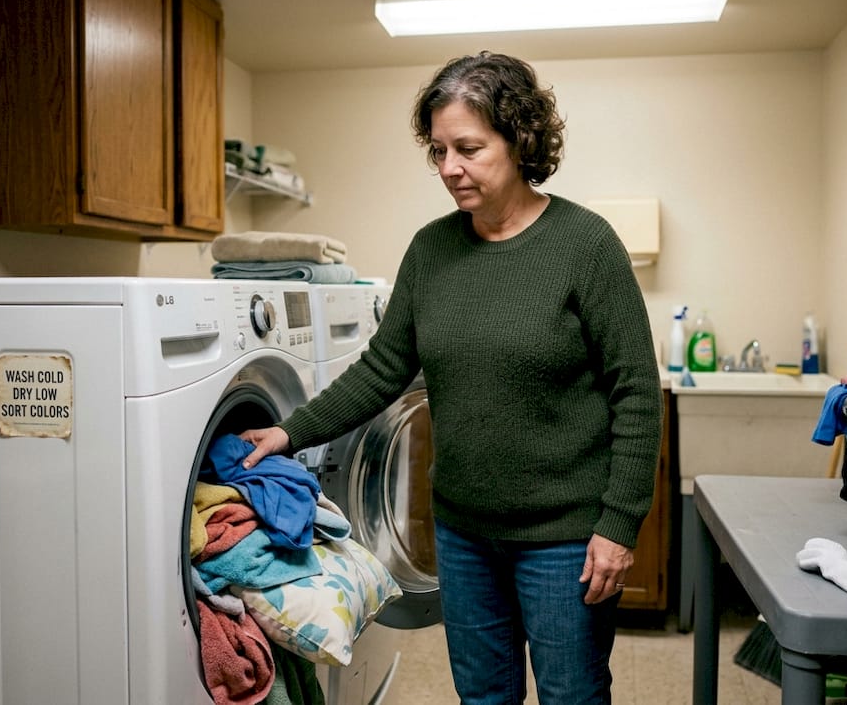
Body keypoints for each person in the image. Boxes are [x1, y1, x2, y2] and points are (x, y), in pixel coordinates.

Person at [239, 51, 663, 705]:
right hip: (464, 533)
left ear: (520, 141)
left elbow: (635, 396)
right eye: (437, 150)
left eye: (467, 148)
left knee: (572, 696)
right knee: (483, 698)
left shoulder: (586, 245)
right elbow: (383, 369)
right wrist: (289, 433)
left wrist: (618, 524)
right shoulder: (432, 250)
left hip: (566, 537)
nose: (449, 168)